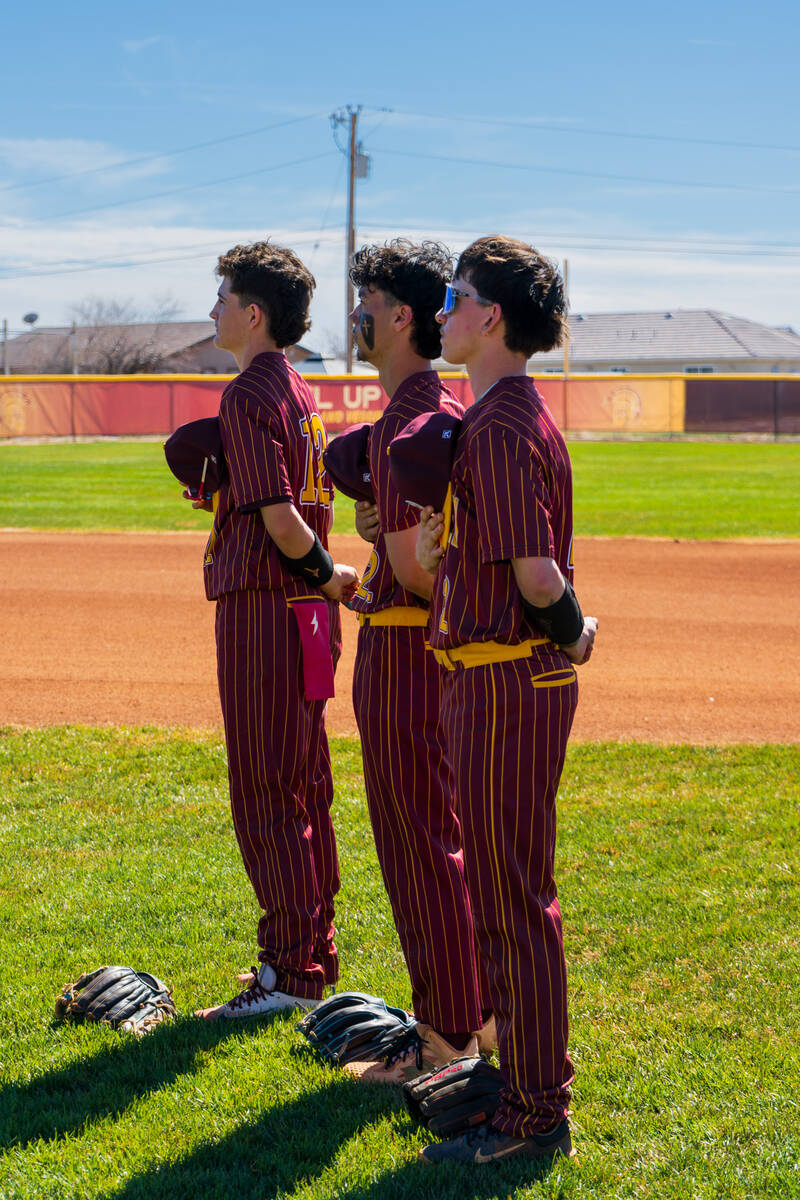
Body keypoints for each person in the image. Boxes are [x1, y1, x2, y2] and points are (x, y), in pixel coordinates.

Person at [414, 236, 597, 1164]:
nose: (441, 312)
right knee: (496, 893)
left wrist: (574, 630)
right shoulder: (494, 415)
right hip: (487, 676)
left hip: (508, 678)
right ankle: (517, 1075)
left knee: (513, 899)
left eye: (453, 297)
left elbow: (535, 575)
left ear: (491, 317)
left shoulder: (500, 422)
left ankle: (535, 1111)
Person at [189, 241, 359, 1019]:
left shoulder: (249, 392)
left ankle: (288, 973)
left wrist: (328, 572)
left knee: (266, 789)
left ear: (253, 314)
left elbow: (283, 521)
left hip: (269, 605)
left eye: (223, 298)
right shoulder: (296, 387)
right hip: (307, 619)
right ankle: (310, 954)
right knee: (304, 784)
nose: (214, 310)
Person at [339, 239, 490, 1083]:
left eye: (368, 301)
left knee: (418, 843)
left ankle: (441, 1038)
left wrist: (393, 546)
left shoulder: (407, 420)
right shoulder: (432, 409)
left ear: (402, 316)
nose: (356, 315)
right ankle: (481, 1017)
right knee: (446, 838)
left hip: (403, 649)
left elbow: (411, 571)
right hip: (433, 652)